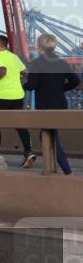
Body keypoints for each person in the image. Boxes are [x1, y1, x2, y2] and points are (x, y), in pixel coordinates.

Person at [25, 34, 80, 175]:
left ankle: (66, 171)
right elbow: (75, 81)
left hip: (45, 105)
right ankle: (51, 169)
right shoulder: (62, 63)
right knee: (48, 135)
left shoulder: (37, 63)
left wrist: (24, 83)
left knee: (51, 137)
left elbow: (32, 85)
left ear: (40, 46)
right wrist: (61, 88)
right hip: (60, 104)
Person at [0, 34, 36, 168]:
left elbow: (2, 71)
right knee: (19, 124)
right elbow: (25, 73)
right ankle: (28, 152)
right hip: (18, 96)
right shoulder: (14, 57)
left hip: (1, 96)